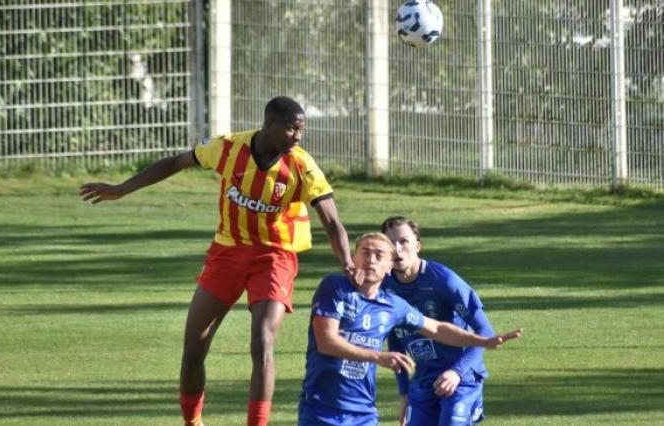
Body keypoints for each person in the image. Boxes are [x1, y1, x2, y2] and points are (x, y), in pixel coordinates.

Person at [79, 96, 358, 426]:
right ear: (269, 124)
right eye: (291, 129)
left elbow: (331, 221)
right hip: (226, 253)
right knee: (193, 352)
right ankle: (192, 422)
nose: (298, 136)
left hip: (274, 257)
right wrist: (122, 188)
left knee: (263, 342)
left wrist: (347, 262)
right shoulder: (228, 148)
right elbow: (175, 162)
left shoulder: (302, 166)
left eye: (302, 130)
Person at [298, 232, 521, 426]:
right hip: (320, 408)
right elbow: (326, 342)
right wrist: (378, 357)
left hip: (364, 413)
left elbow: (437, 328)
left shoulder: (393, 305)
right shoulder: (335, 288)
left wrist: (482, 340)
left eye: (379, 255)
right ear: (354, 258)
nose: (370, 260)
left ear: (389, 267)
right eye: (365, 252)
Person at [381, 216, 495, 426]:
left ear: (417, 246)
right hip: (424, 379)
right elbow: (395, 340)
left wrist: (457, 372)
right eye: (390, 243)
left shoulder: (443, 280)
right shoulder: (384, 288)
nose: (397, 249)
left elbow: (485, 331)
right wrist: (404, 393)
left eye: (404, 241)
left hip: (461, 377)